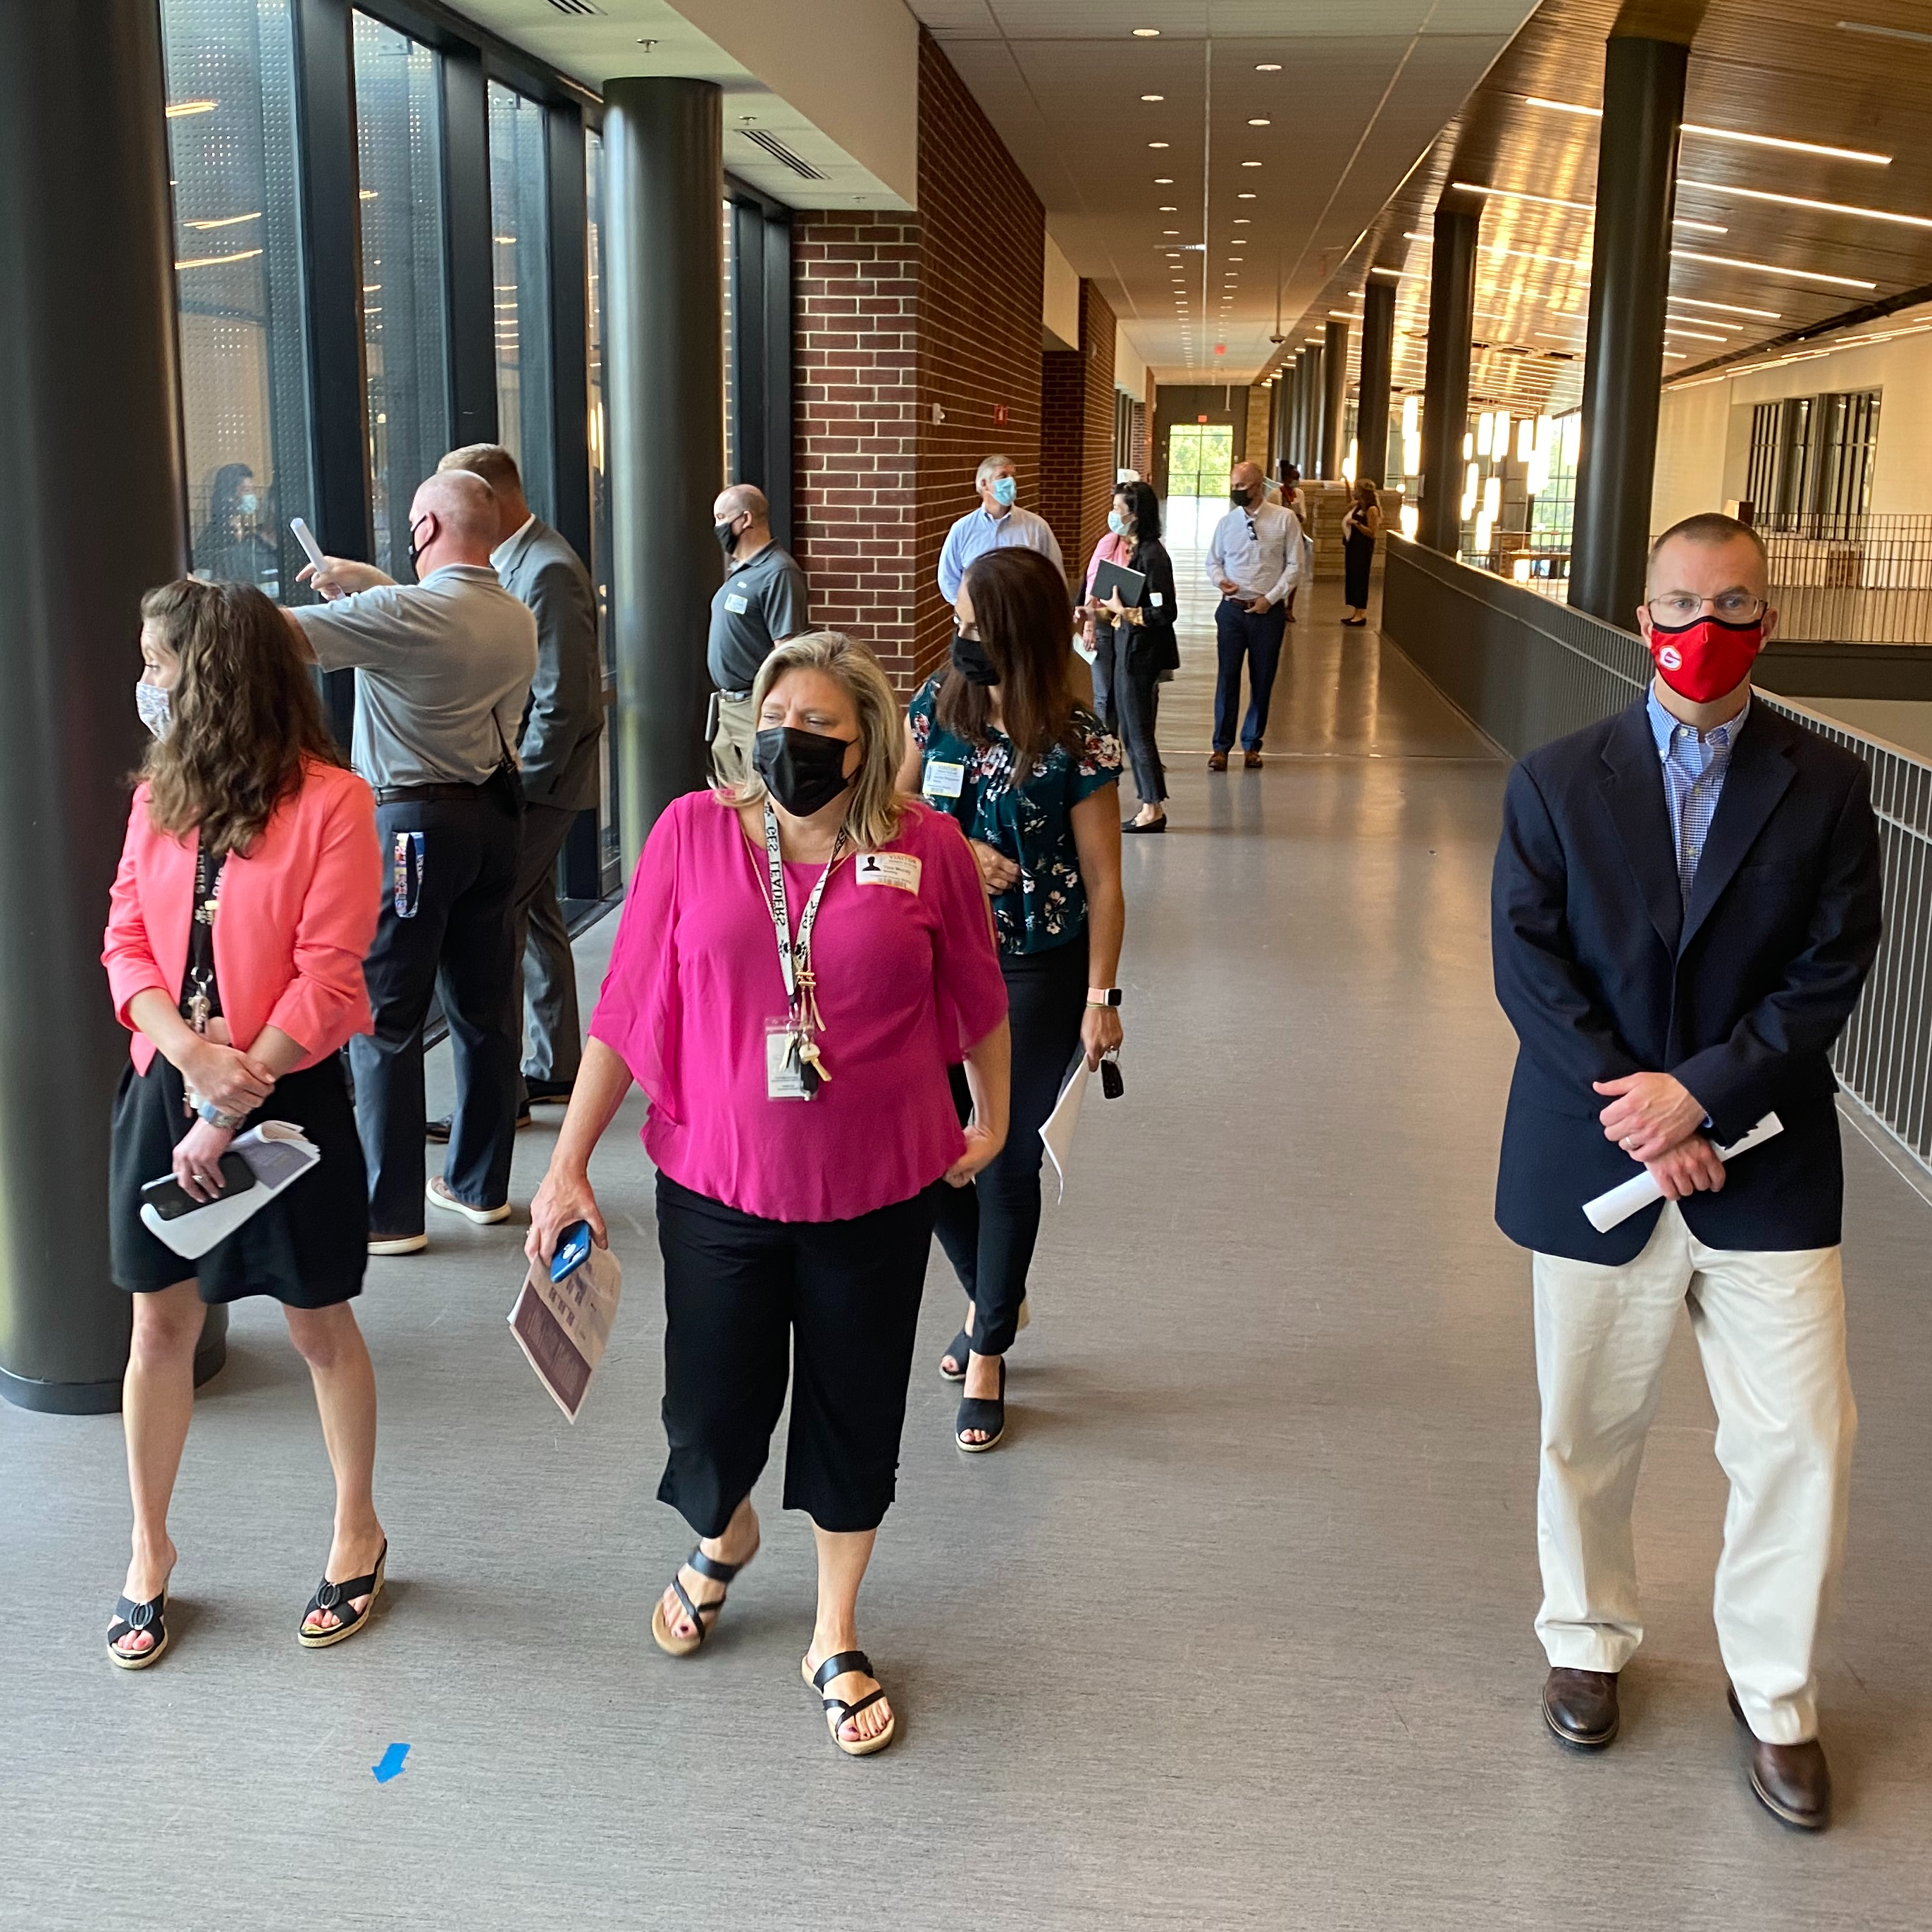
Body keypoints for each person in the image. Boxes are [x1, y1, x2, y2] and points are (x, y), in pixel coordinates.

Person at [527, 631, 1010, 1758]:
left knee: (854, 1415)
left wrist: (987, 1119)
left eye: (819, 727)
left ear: (866, 742)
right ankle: (724, 1533)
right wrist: (567, 1162)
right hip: (716, 1182)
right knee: (704, 1420)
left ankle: (834, 1631)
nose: (790, 740)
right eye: (775, 718)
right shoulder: (693, 834)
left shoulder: (924, 849)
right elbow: (631, 1004)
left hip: (875, 1186)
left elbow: (978, 995)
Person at [1491, 512, 1883, 1831]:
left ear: (1764, 620)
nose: (1700, 631)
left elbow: (1826, 972)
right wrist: (1644, 1110)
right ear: (1638, 613)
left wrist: (1701, 1094)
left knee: (1798, 1439)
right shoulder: (1554, 780)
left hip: (1764, 1164)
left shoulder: (1823, 785)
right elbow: (1529, 969)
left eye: (1729, 605)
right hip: (1596, 1159)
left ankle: (1775, 1695)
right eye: (1676, 602)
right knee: (1584, 1428)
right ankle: (1585, 1635)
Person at [102, 580, 386, 1668]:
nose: (148, 682)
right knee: (158, 1328)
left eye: (158, 662)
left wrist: (233, 1090)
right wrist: (187, 1055)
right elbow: (126, 940)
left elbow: (328, 980)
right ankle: (149, 1548)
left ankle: (357, 1526)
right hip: (165, 1085)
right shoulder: (157, 796)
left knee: (316, 1325)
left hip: (287, 1102)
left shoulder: (334, 801)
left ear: (211, 673)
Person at [900, 547, 1126, 1449]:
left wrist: (1102, 996)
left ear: (1018, 635)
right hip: (936, 959)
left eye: (973, 626)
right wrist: (951, 854)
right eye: (955, 623)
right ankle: (998, 1291)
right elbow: (896, 811)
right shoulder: (937, 704)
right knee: (926, 1146)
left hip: (1038, 967)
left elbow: (1106, 883)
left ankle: (988, 1341)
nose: (959, 640)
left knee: (1002, 1156)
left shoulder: (1078, 738)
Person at [283, 469, 537, 1253]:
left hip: (412, 831)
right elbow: (429, 623)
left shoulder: (402, 614)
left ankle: (388, 1214)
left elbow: (277, 635)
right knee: (485, 1011)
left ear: (424, 528)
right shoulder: (514, 616)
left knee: (387, 1018)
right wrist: (368, 590)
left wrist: (359, 600)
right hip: (495, 824)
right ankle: (480, 1184)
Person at [433, 445, 604, 1133]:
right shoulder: (516, 563)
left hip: (540, 784)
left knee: (490, 925)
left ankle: (498, 1098)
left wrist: (521, 790)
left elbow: (562, 701)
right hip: (526, 778)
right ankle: (555, 1067)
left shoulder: (549, 570)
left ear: (492, 501)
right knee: (535, 919)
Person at [1085, 480, 1177, 833]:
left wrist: (1124, 611)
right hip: (1126, 649)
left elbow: (1165, 611)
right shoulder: (1134, 551)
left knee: (1138, 733)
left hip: (1142, 655)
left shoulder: (1153, 556)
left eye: (1119, 510)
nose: (1114, 516)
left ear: (1136, 515)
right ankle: (1148, 802)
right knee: (1129, 729)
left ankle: (1152, 806)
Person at [708, 483, 810, 786]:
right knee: (731, 801)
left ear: (746, 520)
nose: (717, 526)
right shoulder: (743, 570)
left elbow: (788, 652)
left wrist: (772, 713)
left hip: (754, 708)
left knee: (758, 795)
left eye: (721, 517)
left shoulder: (778, 572)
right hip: (728, 709)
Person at [1206, 460, 1301, 770]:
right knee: (1227, 678)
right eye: (1233, 486)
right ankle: (1221, 747)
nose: (1235, 492)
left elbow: (1295, 566)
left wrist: (1271, 599)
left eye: (1241, 487)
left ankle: (1252, 744)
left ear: (1259, 486)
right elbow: (1213, 561)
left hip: (1266, 613)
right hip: (1232, 612)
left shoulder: (1285, 520)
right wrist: (1221, 581)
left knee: (1262, 679)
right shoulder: (1226, 523)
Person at [936, 454, 1066, 603]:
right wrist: (968, 611)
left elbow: (1055, 574)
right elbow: (948, 579)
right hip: (979, 618)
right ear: (984, 484)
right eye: (1003, 476)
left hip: (1024, 615)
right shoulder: (962, 530)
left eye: (1013, 476)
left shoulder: (1036, 527)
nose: (1011, 482)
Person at [194, 462, 276, 590]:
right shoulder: (212, 537)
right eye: (246, 491)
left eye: (253, 491)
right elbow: (203, 582)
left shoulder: (250, 531)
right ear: (229, 496)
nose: (252, 497)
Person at [1340, 479, 1382, 626]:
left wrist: (1356, 524)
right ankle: (1356, 612)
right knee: (1353, 578)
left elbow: (1372, 532)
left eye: (1356, 489)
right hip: (1353, 546)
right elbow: (1348, 502)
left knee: (1360, 578)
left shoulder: (1372, 509)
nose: (1354, 492)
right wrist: (1346, 485)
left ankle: (1361, 614)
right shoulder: (1359, 506)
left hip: (1363, 548)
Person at [1277, 462, 1313, 624]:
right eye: (1293, 478)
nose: (1296, 481)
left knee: (1295, 571)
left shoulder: (1299, 493)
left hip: (1297, 537)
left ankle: (1289, 608)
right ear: (1285, 478)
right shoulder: (1275, 494)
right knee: (1279, 572)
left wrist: (1298, 517)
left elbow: (1304, 515)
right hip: (1280, 539)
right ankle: (1278, 603)